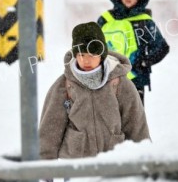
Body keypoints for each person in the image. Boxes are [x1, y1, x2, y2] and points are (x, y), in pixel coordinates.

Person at [39, 22, 150, 165]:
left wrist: (145, 158)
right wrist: (44, 163)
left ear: (101, 54)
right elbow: (50, 127)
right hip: (76, 165)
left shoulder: (120, 83)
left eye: (92, 54)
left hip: (115, 161)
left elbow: (136, 124)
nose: (86, 60)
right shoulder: (65, 85)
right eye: (81, 54)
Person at [97, 0, 169, 104]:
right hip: (107, 79)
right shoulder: (106, 19)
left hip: (135, 80)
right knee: (108, 120)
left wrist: (145, 62)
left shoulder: (144, 22)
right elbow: (92, 44)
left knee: (134, 122)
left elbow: (162, 47)